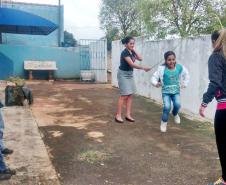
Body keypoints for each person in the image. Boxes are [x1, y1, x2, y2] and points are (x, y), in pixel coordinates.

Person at [200, 29, 226, 185]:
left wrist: (204, 103)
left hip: (224, 108)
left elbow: (215, 83)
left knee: (223, 144)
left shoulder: (216, 57)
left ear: (213, 42)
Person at [115, 36, 151, 123]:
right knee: (124, 95)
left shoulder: (132, 52)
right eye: (130, 43)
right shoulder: (124, 53)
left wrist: (133, 50)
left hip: (130, 74)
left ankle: (128, 115)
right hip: (123, 74)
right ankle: (118, 115)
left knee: (130, 95)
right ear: (126, 44)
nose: (132, 45)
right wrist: (143, 68)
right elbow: (132, 64)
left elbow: (140, 58)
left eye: (133, 43)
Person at [151, 51, 190, 132]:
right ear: (165, 60)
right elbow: (154, 77)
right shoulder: (161, 68)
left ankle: (175, 113)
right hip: (166, 93)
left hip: (176, 92)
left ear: (175, 59)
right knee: (167, 107)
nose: (171, 61)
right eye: (169, 60)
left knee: (178, 105)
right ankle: (164, 122)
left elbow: (187, 74)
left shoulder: (179, 67)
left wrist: (185, 83)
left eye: (173, 59)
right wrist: (155, 83)